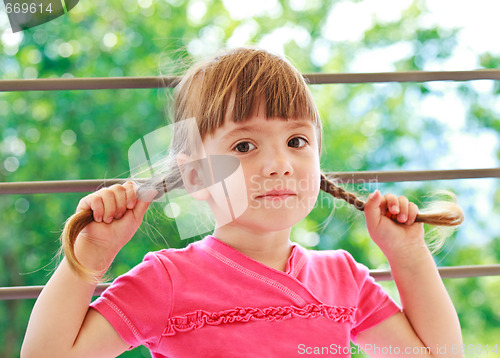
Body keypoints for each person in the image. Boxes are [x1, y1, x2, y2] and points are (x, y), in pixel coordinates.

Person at [22, 47, 464, 357]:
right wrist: (91, 256)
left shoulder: (341, 279)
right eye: (244, 146)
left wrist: (409, 255)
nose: (279, 164)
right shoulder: (168, 281)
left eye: (296, 140)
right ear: (197, 175)